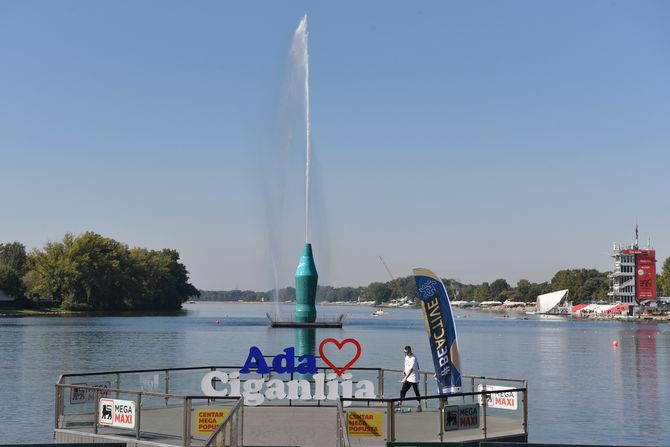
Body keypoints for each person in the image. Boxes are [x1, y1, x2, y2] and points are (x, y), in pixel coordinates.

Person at [400, 345, 422, 411]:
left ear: (410, 351)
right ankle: (400, 403)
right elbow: (407, 365)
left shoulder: (413, 358)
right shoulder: (406, 356)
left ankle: (419, 405)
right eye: (404, 352)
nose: (405, 353)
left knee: (416, 392)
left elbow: (411, 369)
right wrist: (404, 371)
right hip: (408, 377)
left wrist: (405, 378)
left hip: (414, 378)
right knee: (403, 390)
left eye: (406, 352)